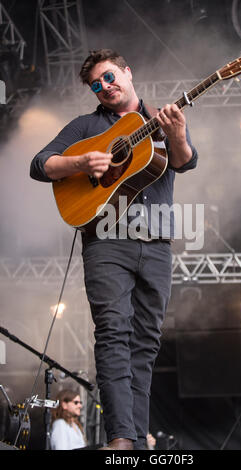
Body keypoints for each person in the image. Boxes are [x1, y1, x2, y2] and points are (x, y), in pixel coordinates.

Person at [30, 49, 198, 450]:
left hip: (156, 243)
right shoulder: (87, 126)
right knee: (112, 333)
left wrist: (175, 134)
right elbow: (40, 164)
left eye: (109, 77)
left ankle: (137, 442)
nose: (105, 87)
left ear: (127, 72)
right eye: (96, 85)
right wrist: (81, 163)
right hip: (106, 240)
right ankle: (121, 437)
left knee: (145, 343)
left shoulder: (160, 117)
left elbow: (184, 161)